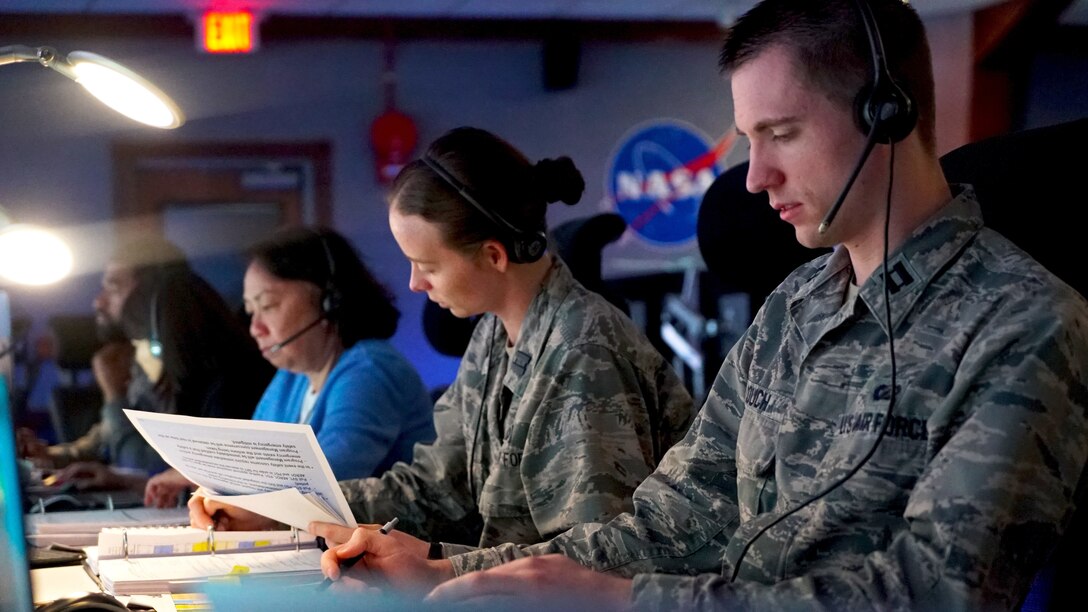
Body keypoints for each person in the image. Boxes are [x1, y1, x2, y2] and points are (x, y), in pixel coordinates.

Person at [306, 1, 1088, 610]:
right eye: (751, 140)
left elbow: (935, 595)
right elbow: (670, 521)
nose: (755, 178)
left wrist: (625, 604)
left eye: (780, 134)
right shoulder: (798, 305)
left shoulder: (1021, 321)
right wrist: (448, 570)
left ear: (889, 113)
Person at [190, 127, 694, 557]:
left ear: (494, 256)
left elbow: (590, 561)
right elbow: (436, 490)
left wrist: (436, 564)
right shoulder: (493, 337)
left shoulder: (582, 351)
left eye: (427, 266)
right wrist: (277, 511)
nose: (415, 284)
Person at [144, 226, 436, 507]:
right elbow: (252, 457)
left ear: (329, 301)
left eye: (268, 306)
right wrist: (199, 472)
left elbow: (322, 483)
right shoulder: (292, 377)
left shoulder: (372, 371)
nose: (255, 328)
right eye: (250, 311)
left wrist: (207, 474)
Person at [19, 236, 273, 488]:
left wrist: (114, 396)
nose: (99, 301)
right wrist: (52, 457)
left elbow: (143, 464)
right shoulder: (141, 356)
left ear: (153, 290)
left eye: (114, 287)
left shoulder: (198, 364)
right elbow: (107, 438)